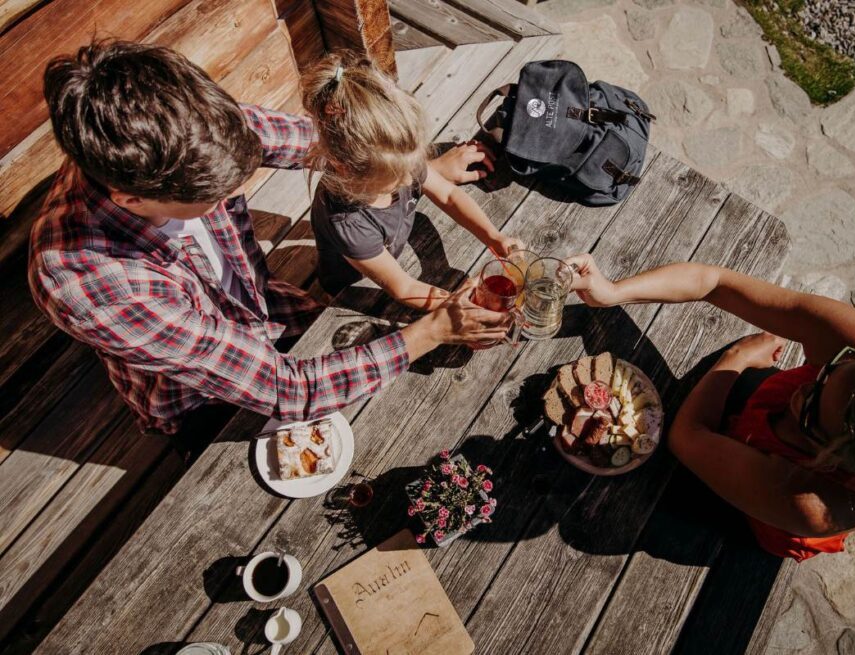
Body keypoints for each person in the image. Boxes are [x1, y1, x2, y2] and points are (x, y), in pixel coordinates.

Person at [29, 40, 511, 436]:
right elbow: (290, 391)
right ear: (133, 200)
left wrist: (404, 170)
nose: (228, 194)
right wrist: (433, 331)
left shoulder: (196, 129)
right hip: (200, 401)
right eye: (215, 196)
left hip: (267, 308)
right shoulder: (88, 281)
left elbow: (320, 143)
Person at [566, 254, 855, 561]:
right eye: (829, 369)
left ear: (833, 458)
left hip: (758, 507)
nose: (803, 387)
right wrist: (612, 292)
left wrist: (735, 360)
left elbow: (687, 438)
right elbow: (715, 282)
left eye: (811, 410)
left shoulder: (809, 502)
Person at [302, 51, 522, 306]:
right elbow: (403, 287)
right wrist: (456, 306)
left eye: (414, 164)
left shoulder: (396, 156)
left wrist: (494, 238)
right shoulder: (347, 221)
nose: (411, 178)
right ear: (345, 168)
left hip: (387, 253)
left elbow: (449, 195)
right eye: (396, 178)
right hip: (355, 286)